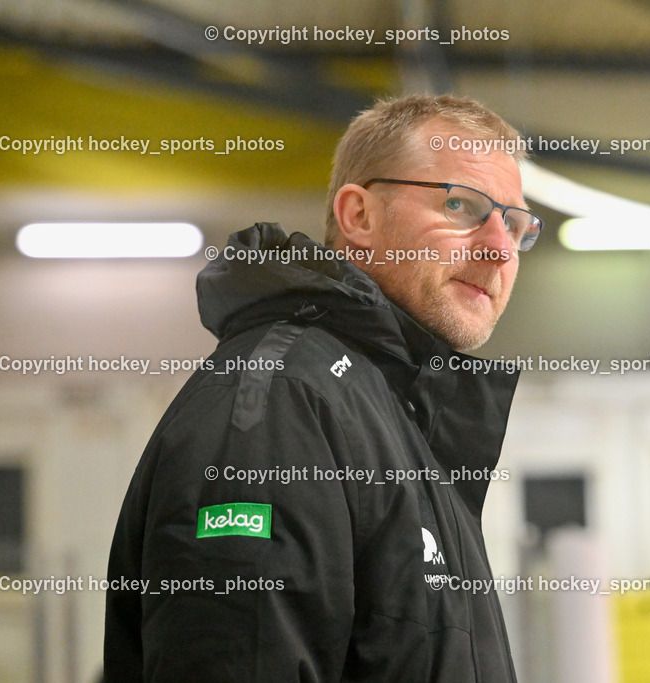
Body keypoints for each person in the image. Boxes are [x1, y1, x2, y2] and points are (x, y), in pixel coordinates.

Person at [103, 93, 543, 682]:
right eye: (462, 205)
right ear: (359, 216)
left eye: (515, 225)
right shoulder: (281, 400)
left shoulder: (393, 413)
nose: (498, 249)